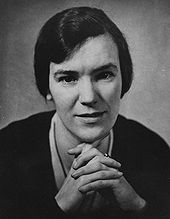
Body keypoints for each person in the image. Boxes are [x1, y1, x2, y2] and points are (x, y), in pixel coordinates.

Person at [0, 6, 169, 219]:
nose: (88, 97)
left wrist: (138, 206)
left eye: (104, 74)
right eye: (68, 78)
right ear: (47, 86)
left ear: (123, 80)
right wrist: (59, 207)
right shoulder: (6, 150)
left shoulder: (154, 152)